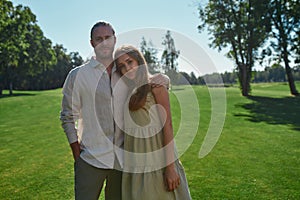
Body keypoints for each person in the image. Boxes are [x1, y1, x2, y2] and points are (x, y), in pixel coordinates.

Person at [60, 21, 169, 200]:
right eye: (99, 39)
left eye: (108, 38)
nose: (104, 42)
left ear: (114, 40)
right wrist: (77, 153)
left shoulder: (125, 73)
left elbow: (146, 80)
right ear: (92, 43)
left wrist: (164, 78)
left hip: (122, 160)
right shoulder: (77, 75)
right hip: (90, 159)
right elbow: (67, 116)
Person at [114, 45, 192, 200]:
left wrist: (170, 168)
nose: (127, 68)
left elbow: (167, 126)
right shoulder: (127, 90)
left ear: (139, 61)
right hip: (136, 160)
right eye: (122, 66)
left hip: (157, 159)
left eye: (130, 62)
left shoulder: (156, 86)